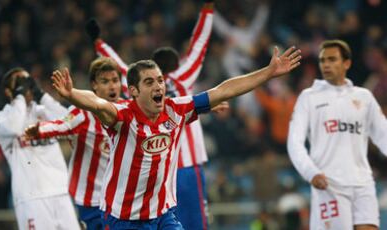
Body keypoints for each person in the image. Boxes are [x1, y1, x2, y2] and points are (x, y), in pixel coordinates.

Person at [50, 45, 301, 229]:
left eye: (159, 80)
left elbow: (224, 89)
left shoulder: (176, 108)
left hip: (163, 215)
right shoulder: (123, 115)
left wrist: (267, 73)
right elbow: (97, 104)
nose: (158, 86)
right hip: (124, 218)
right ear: (134, 91)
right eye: (149, 82)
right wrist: (71, 94)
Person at [85, 1, 214, 228]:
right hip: (188, 168)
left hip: (155, 179)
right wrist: (208, 10)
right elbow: (199, 46)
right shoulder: (184, 78)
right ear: (175, 64)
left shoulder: (140, 83)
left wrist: (98, 42)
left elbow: (117, 65)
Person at [287, 39, 387, 230]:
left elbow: (384, 135)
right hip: (329, 184)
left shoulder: (364, 97)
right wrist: (310, 172)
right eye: (323, 60)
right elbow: (294, 142)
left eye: (332, 59)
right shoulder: (309, 98)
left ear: (346, 63)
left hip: (363, 183)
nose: (326, 64)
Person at [25, 57, 123, 229]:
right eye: (105, 81)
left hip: (119, 199)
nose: (112, 86)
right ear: (94, 85)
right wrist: (40, 130)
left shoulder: (128, 110)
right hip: (90, 200)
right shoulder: (82, 113)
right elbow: (62, 124)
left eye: (115, 80)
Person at [0, 67, 80, 230]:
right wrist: (19, 97)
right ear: (7, 92)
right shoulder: (1, 118)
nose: (26, 86)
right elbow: (15, 128)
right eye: (19, 83)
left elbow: (71, 122)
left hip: (60, 191)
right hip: (31, 197)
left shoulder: (43, 111)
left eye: (28, 81)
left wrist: (41, 95)